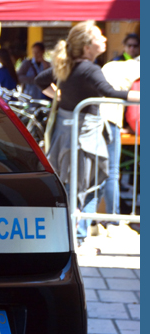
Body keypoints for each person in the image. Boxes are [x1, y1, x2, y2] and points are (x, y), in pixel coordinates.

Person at [35, 21, 140, 244]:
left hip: (68, 133)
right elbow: (109, 92)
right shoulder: (88, 68)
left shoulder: (69, 65)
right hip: (85, 135)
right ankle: (77, 239)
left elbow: (40, 81)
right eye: (99, 36)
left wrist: (59, 98)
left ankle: (75, 237)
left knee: (77, 186)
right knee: (89, 185)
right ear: (87, 46)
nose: (104, 39)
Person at [98, 55, 141, 239]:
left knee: (96, 173)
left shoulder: (112, 65)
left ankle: (91, 222)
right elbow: (135, 111)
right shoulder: (138, 73)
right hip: (110, 118)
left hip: (93, 117)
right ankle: (113, 221)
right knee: (113, 172)